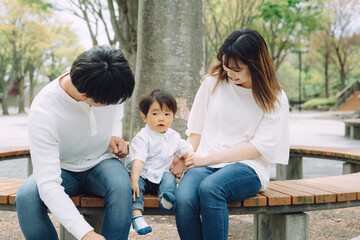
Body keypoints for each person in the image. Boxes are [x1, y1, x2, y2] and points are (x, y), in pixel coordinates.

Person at [173, 29, 290, 240]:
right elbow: (196, 133)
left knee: (211, 188)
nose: (229, 72)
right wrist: (185, 156)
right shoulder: (213, 83)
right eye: (226, 65)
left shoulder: (275, 97)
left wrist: (207, 159)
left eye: (237, 68)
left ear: (255, 65)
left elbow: (258, 148)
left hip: (248, 166)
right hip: (204, 162)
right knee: (183, 198)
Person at [15, 45, 135, 240]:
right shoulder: (44, 112)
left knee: (122, 187)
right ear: (85, 97)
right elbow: (49, 185)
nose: (114, 104)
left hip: (101, 161)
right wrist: (86, 234)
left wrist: (114, 133)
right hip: (63, 168)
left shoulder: (108, 80)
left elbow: (116, 110)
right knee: (27, 197)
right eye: (108, 103)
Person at [125, 89, 193, 235]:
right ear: (144, 117)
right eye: (155, 114)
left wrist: (190, 156)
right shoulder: (143, 137)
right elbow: (139, 160)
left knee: (169, 178)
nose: (161, 118)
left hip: (160, 175)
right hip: (141, 174)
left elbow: (185, 148)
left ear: (173, 117)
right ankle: (136, 215)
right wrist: (134, 180)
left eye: (167, 114)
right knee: (135, 189)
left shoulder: (173, 136)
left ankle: (166, 199)